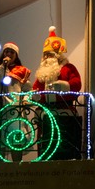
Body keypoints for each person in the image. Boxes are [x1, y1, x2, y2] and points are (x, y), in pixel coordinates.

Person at [32, 27, 83, 159]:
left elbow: (77, 84)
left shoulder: (68, 68)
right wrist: (35, 96)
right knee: (47, 146)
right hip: (46, 114)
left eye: (50, 54)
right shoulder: (42, 73)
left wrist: (65, 86)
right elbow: (35, 88)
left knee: (64, 145)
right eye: (46, 55)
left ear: (58, 55)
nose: (47, 57)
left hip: (65, 112)